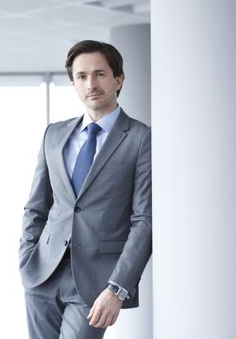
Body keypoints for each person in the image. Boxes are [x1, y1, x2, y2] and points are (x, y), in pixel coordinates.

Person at [19, 40, 152, 339]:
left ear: (119, 79)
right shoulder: (53, 134)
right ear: (74, 83)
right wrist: (27, 259)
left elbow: (144, 221)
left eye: (100, 74)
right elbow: (36, 206)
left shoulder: (141, 139)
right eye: (81, 76)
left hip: (97, 281)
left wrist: (117, 289)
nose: (90, 83)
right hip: (42, 274)